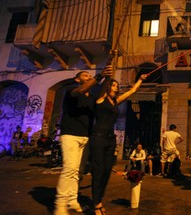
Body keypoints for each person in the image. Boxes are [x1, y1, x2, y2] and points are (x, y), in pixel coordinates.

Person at [54, 66, 112, 215]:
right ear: (77, 79)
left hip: (85, 136)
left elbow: (102, 93)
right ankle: (60, 204)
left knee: (78, 172)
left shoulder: (91, 98)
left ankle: (72, 199)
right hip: (70, 135)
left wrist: (107, 78)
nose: (88, 77)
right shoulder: (72, 91)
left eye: (89, 76)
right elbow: (81, 90)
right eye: (85, 75)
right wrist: (99, 76)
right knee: (69, 169)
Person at [90, 74, 147, 215]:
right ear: (108, 86)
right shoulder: (100, 99)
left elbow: (131, 92)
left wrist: (140, 79)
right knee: (98, 171)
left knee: (107, 170)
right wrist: (107, 73)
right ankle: (96, 203)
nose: (116, 88)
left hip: (110, 139)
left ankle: (99, 199)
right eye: (113, 85)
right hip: (98, 137)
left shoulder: (115, 102)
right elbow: (102, 87)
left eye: (117, 86)